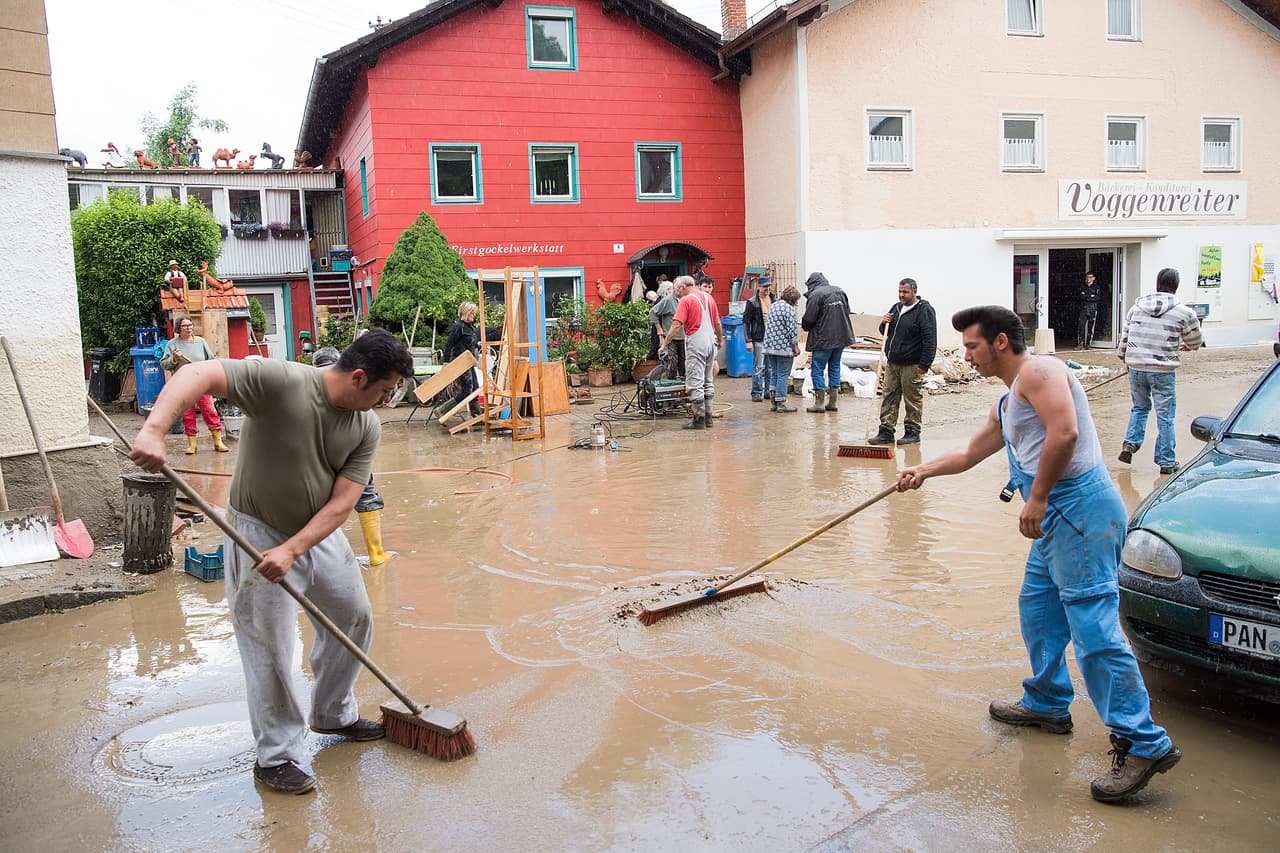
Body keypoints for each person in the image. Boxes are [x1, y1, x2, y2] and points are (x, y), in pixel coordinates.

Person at [896, 305, 1180, 804]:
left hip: (1080, 511)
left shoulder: (1042, 371)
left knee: (1094, 629)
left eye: (971, 346)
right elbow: (968, 453)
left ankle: (1143, 742)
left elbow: (1064, 432)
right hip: (1055, 516)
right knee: (1039, 609)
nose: (967, 356)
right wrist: (923, 471)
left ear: (1001, 342)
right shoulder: (1008, 402)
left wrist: (1040, 497)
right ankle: (1048, 703)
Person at [129, 329, 413, 795]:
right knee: (271, 644)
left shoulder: (366, 427)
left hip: (315, 534)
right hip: (255, 530)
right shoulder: (280, 381)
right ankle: (277, 756)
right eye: (385, 391)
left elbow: (344, 503)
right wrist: (154, 430)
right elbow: (195, 371)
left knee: (353, 617)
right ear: (359, 377)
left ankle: (332, 713)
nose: (387, 401)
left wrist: (295, 548)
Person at [1117, 268, 1203, 475]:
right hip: (1163, 371)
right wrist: (1187, 346)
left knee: (1139, 407)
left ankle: (1130, 444)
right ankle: (1166, 461)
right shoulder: (1184, 312)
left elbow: (1125, 341)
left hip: (1136, 368)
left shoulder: (1135, 308)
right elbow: (1196, 341)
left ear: (1157, 284)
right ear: (1176, 286)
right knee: (1165, 416)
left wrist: (1125, 359)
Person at [314, 347, 392, 567]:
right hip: (352, 449)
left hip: (319, 458)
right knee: (365, 493)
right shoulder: (350, 387)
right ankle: (376, 553)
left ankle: (325, 556)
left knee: (320, 502)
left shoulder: (311, 386)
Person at [869, 278, 938, 446]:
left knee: (912, 398)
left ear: (914, 291)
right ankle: (886, 431)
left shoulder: (924, 311)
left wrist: (924, 364)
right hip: (893, 362)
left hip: (912, 363)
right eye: (899, 291)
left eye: (905, 292)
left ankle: (912, 432)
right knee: (889, 396)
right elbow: (885, 331)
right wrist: (883, 322)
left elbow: (930, 339)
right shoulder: (896, 308)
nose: (901, 295)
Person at [160, 316, 228, 455]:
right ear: (178, 328)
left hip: (202, 382)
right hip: (183, 384)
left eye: (190, 325)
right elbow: (164, 364)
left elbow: (211, 360)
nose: (189, 328)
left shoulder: (201, 342)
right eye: (185, 326)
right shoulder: (172, 344)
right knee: (187, 413)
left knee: (209, 410)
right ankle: (192, 445)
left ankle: (218, 442)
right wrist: (174, 359)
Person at [667, 274, 722, 429]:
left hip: (696, 343)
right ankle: (709, 418)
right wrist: (720, 340)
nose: (677, 291)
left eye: (678, 288)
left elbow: (676, 325)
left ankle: (698, 420)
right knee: (708, 381)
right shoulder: (708, 297)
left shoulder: (686, 300)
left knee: (695, 382)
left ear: (684, 287)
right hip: (711, 342)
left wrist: (665, 343)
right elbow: (717, 322)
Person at [800, 272, 854, 413]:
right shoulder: (840, 291)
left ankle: (819, 403)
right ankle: (833, 402)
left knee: (817, 369)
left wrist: (805, 326)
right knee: (834, 367)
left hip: (823, 339)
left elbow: (809, 318)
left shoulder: (816, 295)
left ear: (812, 284)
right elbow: (847, 311)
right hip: (841, 337)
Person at [438, 301, 484, 418]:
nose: (474, 315)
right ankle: (441, 410)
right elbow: (448, 344)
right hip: (461, 363)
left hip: (469, 362)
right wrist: (446, 362)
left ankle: (477, 416)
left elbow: (470, 343)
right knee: (467, 390)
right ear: (466, 313)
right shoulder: (458, 327)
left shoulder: (469, 328)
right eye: (472, 313)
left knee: (475, 388)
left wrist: (480, 345)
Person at [762, 285, 801, 412]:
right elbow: (792, 330)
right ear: (793, 299)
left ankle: (773, 402)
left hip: (770, 346)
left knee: (774, 373)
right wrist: (796, 346)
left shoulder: (773, 306)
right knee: (783, 374)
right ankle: (781, 402)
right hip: (783, 348)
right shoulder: (788, 309)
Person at [742, 276, 774, 402]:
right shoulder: (752, 302)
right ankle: (756, 392)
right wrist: (748, 340)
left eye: (769, 286)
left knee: (770, 367)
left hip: (771, 338)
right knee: (758, 367)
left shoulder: (773, 299)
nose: (768, 288)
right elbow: (746, 322)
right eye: (765, 286)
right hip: (758, 338)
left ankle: (768, 392)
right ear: (759, 287)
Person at [650, 279, 684, 380]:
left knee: (684, 366)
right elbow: (653, 313)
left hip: (684, 337)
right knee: (671, 366)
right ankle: (670, 387)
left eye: (681, 287)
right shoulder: (668, 300)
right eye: (676, 286)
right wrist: (660, 331)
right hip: (671, 338)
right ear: (673, 287)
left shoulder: (687, 300)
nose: (679, 289)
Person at [647, 274, 670, 360]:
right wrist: (660, 332)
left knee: (656, 347)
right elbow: (653, 313)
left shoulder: (662, 300)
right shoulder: (662, 301)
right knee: (657, 349)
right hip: (660, 328)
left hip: (659, 328)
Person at [1077, 272, 1102, 349]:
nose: (1088, 279)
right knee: (1081, 325)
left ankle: (1088, 344)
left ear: (1094, 278)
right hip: (1084, 308)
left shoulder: (1096, 287)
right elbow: (1081, 296)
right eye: (1087, 277)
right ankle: (1080, 343)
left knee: (1091, 327)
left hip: (1093, 309)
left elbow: (1097, 298)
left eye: (1090, 277)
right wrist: (1090, 296)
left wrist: (1087, 297)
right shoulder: (1082, 287)